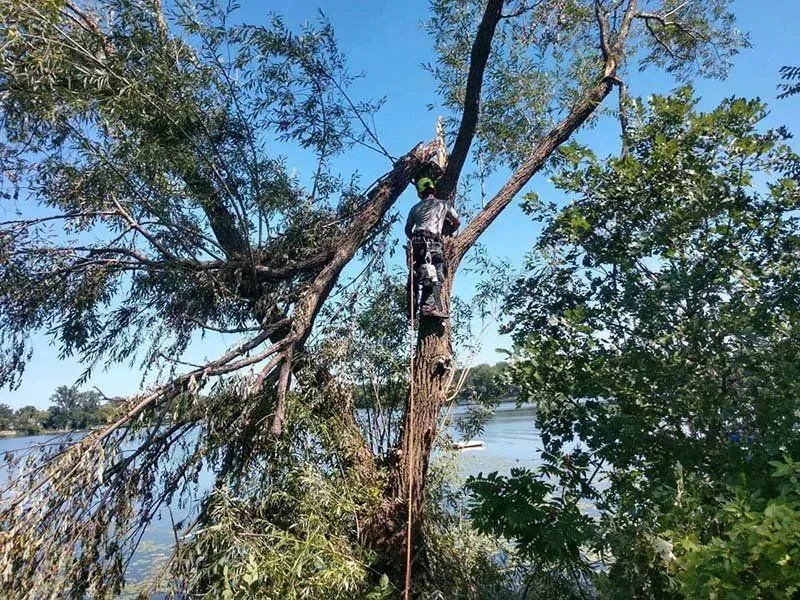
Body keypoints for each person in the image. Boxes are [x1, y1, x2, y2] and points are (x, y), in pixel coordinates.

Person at [405, 176, 460, 319]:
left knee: (416, 273)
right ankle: (428, 307)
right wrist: (449, 232)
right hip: (432, 241)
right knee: (436, 275)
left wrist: (413, 241)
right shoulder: (443, 204)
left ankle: (411, 308)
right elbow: (457, 221)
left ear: (420, 192)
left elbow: (407, 229)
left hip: (416, 241)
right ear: (433, 190)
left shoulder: (415, 208)